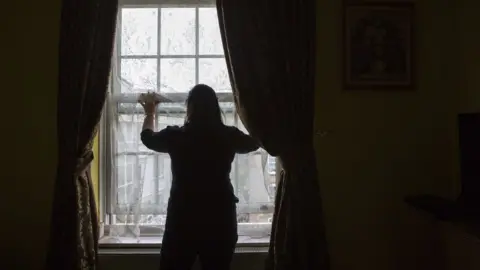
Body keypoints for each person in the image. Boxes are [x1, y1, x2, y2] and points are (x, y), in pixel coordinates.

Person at [139, 84, 260, 270]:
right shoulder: (228, 135)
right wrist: (250, 111)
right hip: (219, 215)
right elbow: (255, 142)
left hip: (183, 216)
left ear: (189, 107)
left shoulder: (176, 136)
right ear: (215, 108)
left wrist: (150, 113)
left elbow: (148, 138)